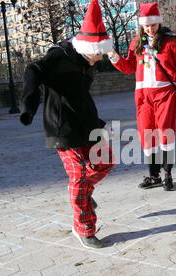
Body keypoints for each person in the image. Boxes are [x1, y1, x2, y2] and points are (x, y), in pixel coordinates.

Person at [19, 0, 114, 249]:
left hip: (89, 124)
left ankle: (82, 193)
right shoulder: (58, 56)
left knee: (106, 161)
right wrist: (28, 106)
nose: (100, 58)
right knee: (80, 175)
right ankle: (84, 228)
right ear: (87, 46)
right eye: (98, 53)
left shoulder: (86, 60)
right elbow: (32, 71)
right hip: (64, 128)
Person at [107, 2, 176, 191]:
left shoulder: (170, 41)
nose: (150, 29)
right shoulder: (136, 42)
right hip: (143, 96)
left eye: (153, 25)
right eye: (146, 25)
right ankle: (154, 175)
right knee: (146, 134)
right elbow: (128, 67)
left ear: (159, 23)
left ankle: (167, 174)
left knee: (165, 132)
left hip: (165, 93)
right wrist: (112, 55)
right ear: (142, 25)